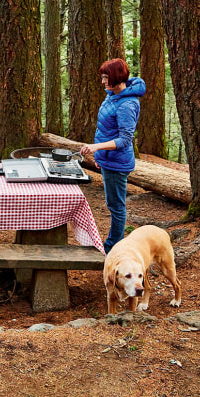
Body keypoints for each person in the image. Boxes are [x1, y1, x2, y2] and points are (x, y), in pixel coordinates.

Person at [80, 59, 146, 255]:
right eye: (102, 77)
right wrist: (101, 156)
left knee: (116, 207)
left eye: (105, 77)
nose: (102, 82)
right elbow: (106, 129)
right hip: (108, 159)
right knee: (113, 204)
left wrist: (95, 148)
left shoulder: (127, 104)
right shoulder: (112, 96)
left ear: (117, 77)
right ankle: (113, 244)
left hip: (118, 163)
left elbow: (125, 139)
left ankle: (113, 248)